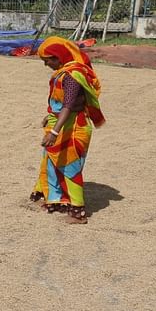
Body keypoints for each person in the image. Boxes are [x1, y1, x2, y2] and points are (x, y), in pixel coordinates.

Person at [29, 36, 105, 224]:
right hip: (63, 123)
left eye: (47, 60)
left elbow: (68, 106)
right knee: (52, 164)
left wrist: (53, 132)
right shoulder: (64, 73)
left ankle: (78, 212)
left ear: (57, 57)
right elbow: (60, 105)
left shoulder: (72, 76)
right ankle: (56, 201)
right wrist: (51, 116)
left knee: (70, 167)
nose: (46, 65)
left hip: (74, 128)